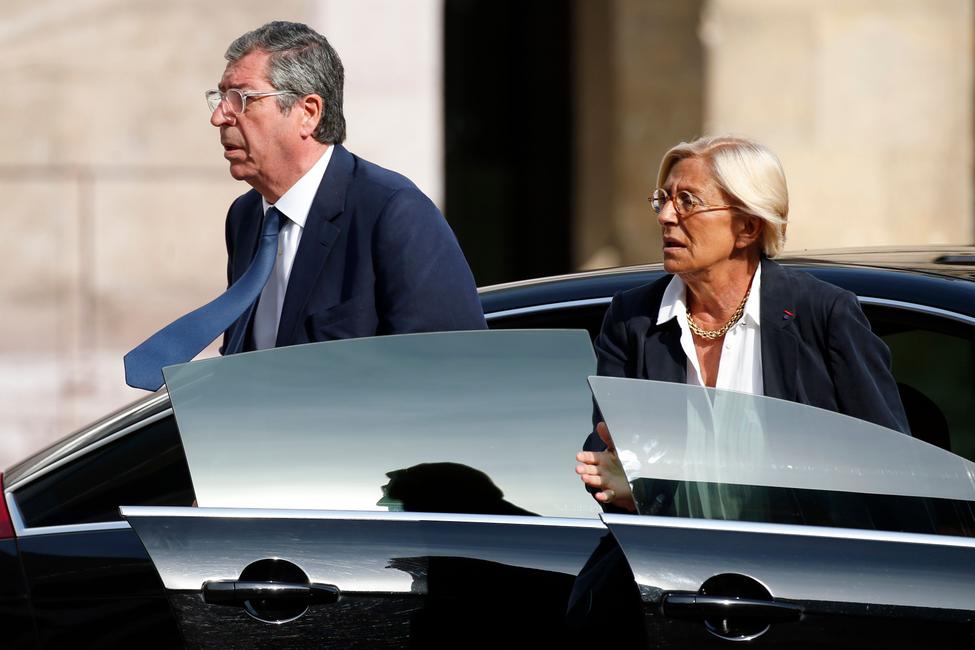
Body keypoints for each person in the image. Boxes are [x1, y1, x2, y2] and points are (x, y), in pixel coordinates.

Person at [124, 21, 484, 391]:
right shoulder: (246, 217)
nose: (219, 117)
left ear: (308, 112)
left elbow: (452, 377)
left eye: (242, 99)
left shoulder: (394, 213)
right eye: (220, 98)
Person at [575, 135, 909, 513]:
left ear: (747, 228)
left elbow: (894, 465)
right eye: (664, 199)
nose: (666, 216)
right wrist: (628, 486)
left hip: (805, 561)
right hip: (670, 562)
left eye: (687, 201)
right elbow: (608, 453)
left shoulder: (823, 315)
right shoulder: (631, 317)